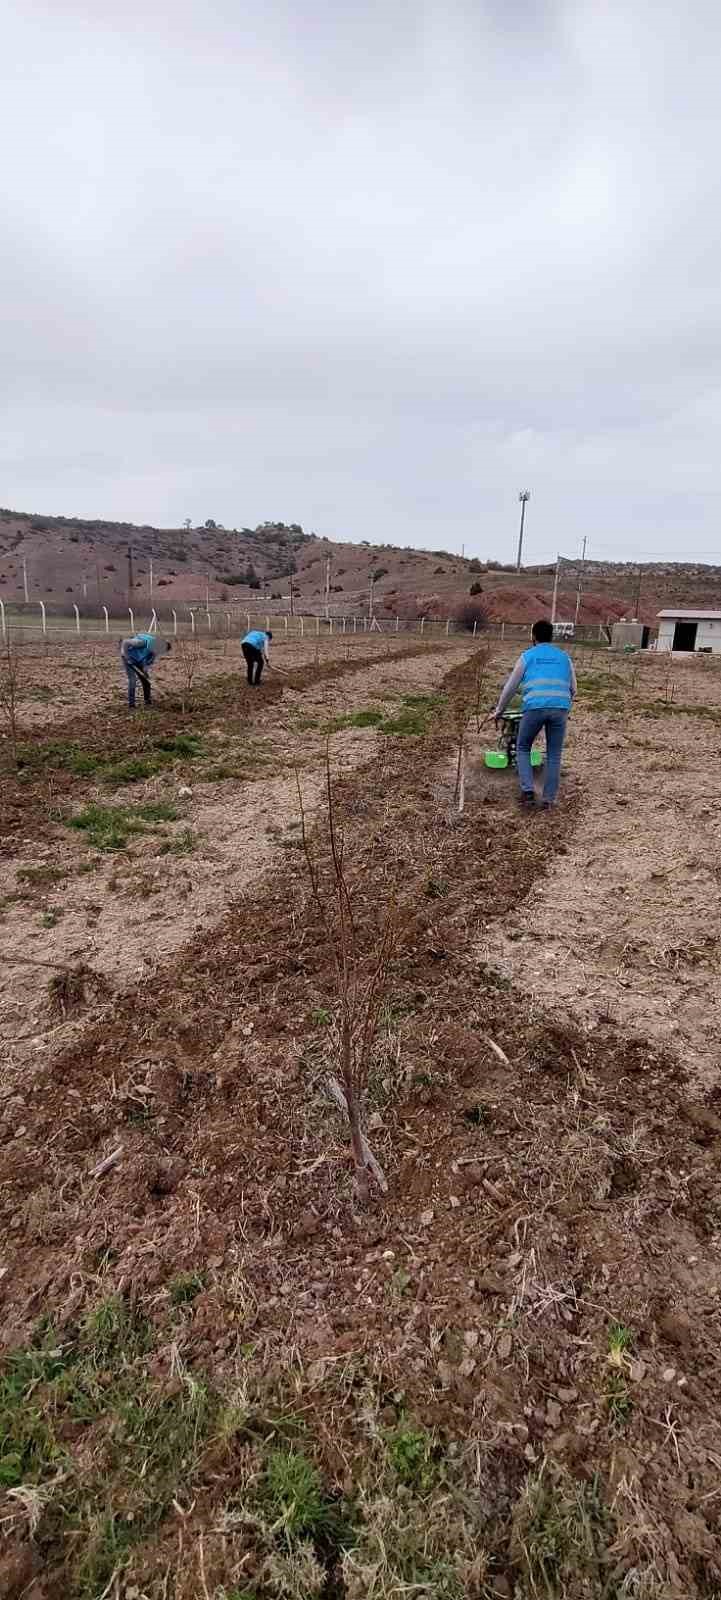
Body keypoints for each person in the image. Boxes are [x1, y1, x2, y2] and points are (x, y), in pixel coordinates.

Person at [489, 618, 576, 809]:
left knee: (522, 747)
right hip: (560, 709)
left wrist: (499, 710)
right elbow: (573, 689)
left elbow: (511, 687)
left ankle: (527, 792)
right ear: (551, 636)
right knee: (554, 754)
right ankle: (549, 800)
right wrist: (563, 705)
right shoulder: (564, 657)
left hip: (534, 707)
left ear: (533, 636)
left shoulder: (527, 656)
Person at [119, 632, 170, 709]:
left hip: (139, 661)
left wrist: (145, 670)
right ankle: (131, 705)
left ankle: (147, 702)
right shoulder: (143, 642)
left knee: (146, 681)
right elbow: (125, 642)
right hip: (128, 658)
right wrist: (126, 656)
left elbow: (148, 662)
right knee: (132, 680)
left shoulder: (154, 652)